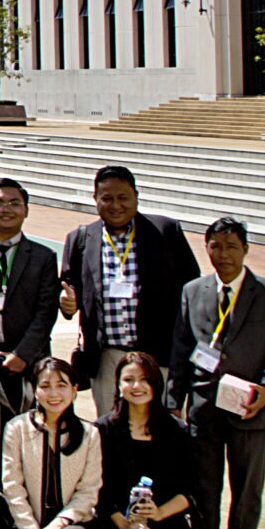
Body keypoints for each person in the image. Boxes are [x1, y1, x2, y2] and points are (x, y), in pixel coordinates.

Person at [166, 216, 265, 529]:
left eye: (231, 246)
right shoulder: (193, 291)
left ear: (245, 249)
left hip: (248, 409)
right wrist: (174, 402)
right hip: (204, 409)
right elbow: (181, 350)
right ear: (206, 248)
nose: (223, 254)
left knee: (246, 489)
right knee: (202, 489)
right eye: (215, 246)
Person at [58, 165, 202, 416]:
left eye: (123, 197)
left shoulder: (166, 232)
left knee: (158, 429)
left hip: (157, 355)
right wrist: (67, 303)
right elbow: (70, 286)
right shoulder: (80, 239)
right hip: (106, 357)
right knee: (110, 430)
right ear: (95, 199)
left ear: (136, 196)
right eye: (107, 198)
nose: (115, 206)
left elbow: (191, 288)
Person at [92, 351, 197, 529]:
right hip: (114, 520)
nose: (136, 386)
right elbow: (94, 485)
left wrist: (160, 512)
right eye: (129, 379)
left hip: (162, 522)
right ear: (118, 385)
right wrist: (121, 520)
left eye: (144, 380)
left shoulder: (176, 431)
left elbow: (192, 489)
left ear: (156, 384)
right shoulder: (104, 429)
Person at [0, 178, 61, 441]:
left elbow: (47, 311)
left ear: (26, 210)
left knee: (30, 433)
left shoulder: (44, 256)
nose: (6, 209)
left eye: (14, 203)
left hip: (28, 360)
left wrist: (23, 354)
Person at [0, 357, 99, 529]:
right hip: (28, 528)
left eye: (61, 386)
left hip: (71, 526)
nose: (53, 394)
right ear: (35, 390)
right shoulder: (17, 428)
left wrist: (58, 525)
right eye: (45, 386)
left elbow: (88, 492)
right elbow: (12, 487)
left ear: (74, 390)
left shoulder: (90, 434)